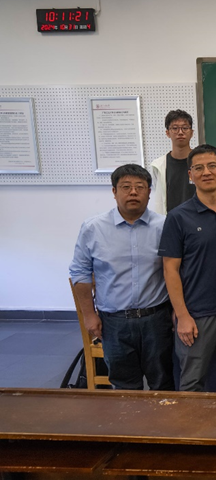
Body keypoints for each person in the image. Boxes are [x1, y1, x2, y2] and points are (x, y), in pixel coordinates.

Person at [69, 164, 173, 391]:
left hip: (157, 319)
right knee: (124, 386)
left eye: (140, 187)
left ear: (149, 192)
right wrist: (89, 315)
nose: (133, 192)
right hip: (114, 322)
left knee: (163, 382)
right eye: (126, 187)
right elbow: (80, 272)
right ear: (114, 192)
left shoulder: (165, 226)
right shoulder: (93, 228)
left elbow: (175, 271)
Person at [158, 144, 216, 394]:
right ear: (190, 175)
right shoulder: (178, 217)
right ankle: (193, 424)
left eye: (212, 166)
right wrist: (182, 316)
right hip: (196, 314)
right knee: (192, 382)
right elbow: (170, 270)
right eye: (198, 168)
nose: (206, 172)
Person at [150, 109, 196, 214]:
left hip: (198, 219)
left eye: (185, 128)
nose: (180, 132)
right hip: (170, 220)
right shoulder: (159, 166)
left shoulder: (201, 162)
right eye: (175, 128)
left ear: (192, 132)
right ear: (167, 133)